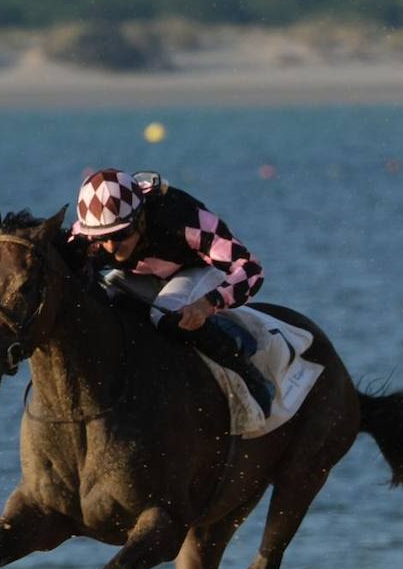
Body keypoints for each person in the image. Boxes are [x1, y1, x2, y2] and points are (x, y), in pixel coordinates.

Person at [71, 168, 274, 415]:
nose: (112, 246)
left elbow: (251, 269)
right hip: (143, 276)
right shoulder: (86, 235)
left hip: (198, 271)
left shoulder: (183, 219)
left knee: (167, 314)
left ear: (141, 217)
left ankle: (247, 373)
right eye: (103, 238)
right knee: (104, 301)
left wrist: (208, 303)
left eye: (121, 234)